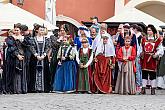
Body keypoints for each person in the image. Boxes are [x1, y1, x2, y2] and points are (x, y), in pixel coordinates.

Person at [141, 24, 164, 95]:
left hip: (152, 58)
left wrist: (156, 55)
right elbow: (140, 48)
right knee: (144, 73)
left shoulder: (157, 40)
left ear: (153, 31)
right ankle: (143, 89)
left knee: (152, 74)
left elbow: (160, 49)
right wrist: (141, 54)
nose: (148, 31)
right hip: (145, 58)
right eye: (147, 30)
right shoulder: (144, 39)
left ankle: (153, 89)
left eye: (150, 30)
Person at [29, 25, 51, 93]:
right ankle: (34, 88)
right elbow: (31, 47)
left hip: (44, 58)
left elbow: (48, 47)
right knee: (34, 72)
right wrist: (36, 55)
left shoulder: (46, 39)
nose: (42, 31)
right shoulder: (33, 39)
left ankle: (44, 88)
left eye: (43, 30)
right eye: (41, 30)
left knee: (45, 72)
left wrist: (44, 55)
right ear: (37, 30)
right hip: (35, 58)